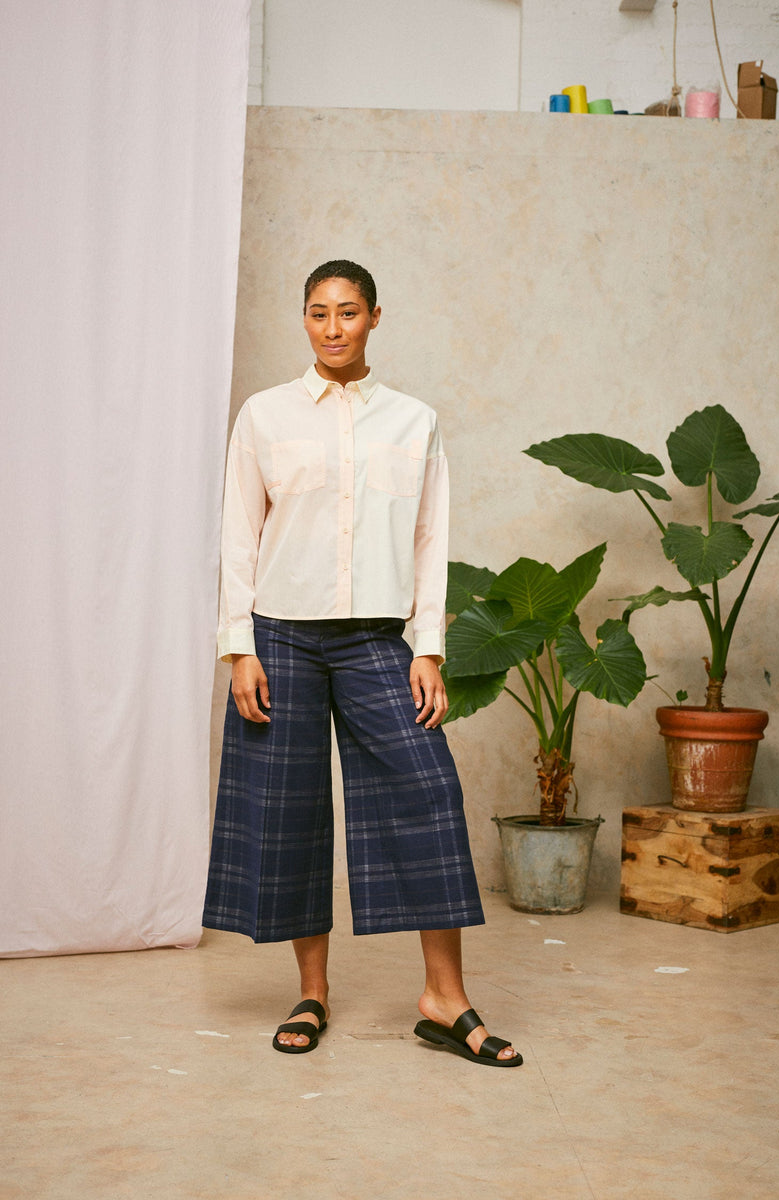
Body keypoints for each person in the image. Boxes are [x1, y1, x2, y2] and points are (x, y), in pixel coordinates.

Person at [203, 260, 521, 1068]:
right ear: (303, 320)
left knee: (427, 787)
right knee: (291, 809)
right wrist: (238, 645)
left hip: (377, 638)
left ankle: (443, 999)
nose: (332, 327)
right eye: (317, 312)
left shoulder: (414, 421)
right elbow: (239, 534)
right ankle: (311, 992)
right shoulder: (265, 416)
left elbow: (429, 541)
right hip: (281, 636)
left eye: (348, 312)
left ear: (376, 317)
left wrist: (429, 648)